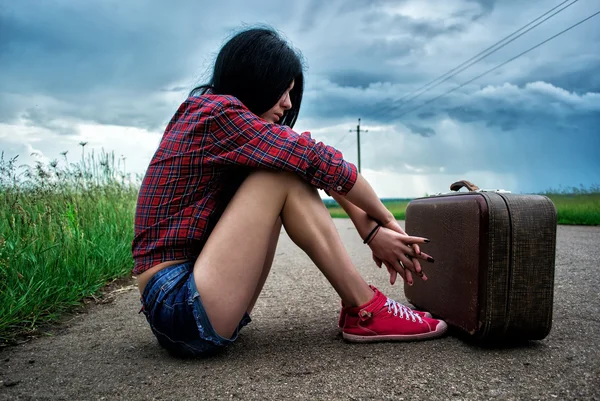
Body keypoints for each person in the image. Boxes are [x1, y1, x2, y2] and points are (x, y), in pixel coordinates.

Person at [132, 26, 447, 358]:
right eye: (282, 90)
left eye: (292, 92)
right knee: (281, 175)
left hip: (192, 304)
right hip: (179, 305)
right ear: (254, 79)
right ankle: (365, 308)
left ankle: (363, 308)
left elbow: (306, 161)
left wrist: (370, 230)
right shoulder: (215, 113)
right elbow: (317, 160)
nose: (288, 103)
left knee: (287, 167)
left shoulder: (223, 124)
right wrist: (383, 221)